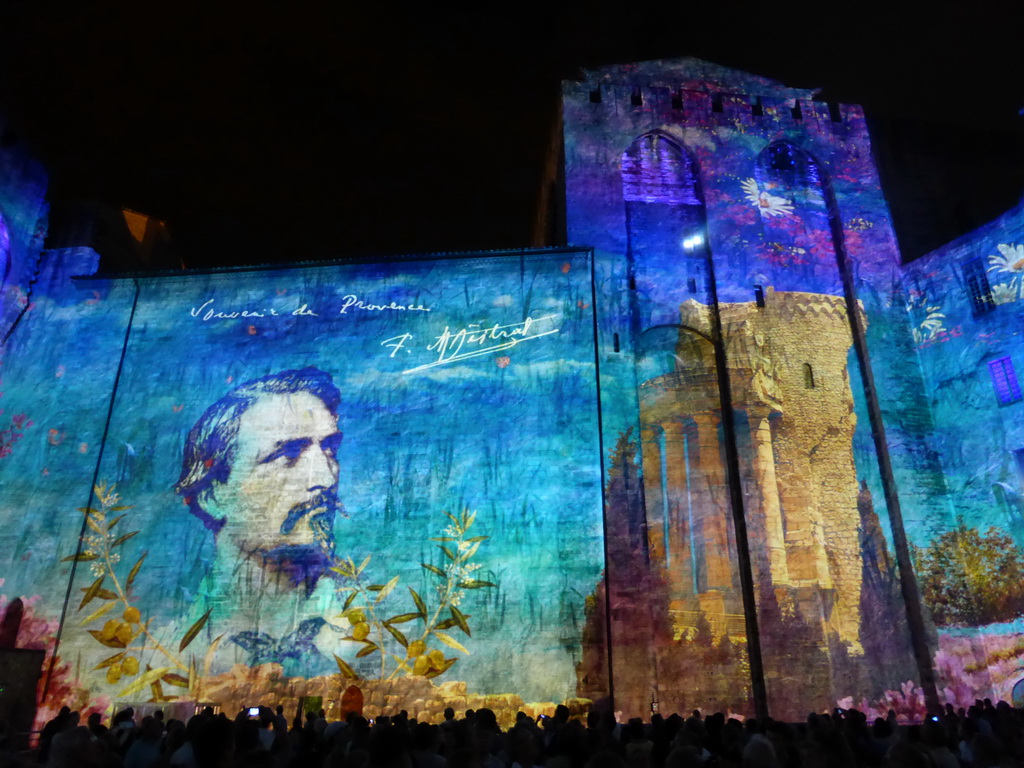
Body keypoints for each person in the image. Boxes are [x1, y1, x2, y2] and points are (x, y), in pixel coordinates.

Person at [174, 367, 348, 675]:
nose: (324, 476)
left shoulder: (357, 635)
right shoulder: (169, 646)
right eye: (288, 453)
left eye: (329, 449)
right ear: (211, 495)